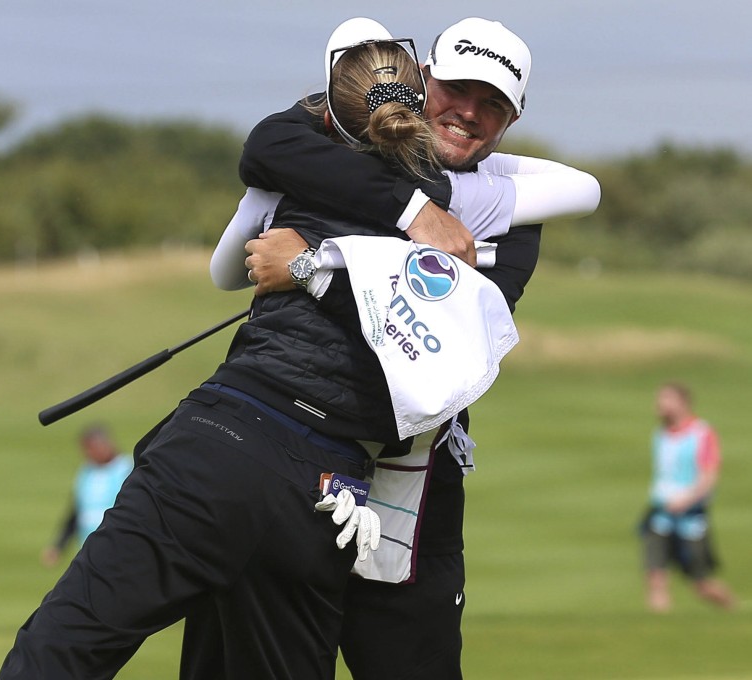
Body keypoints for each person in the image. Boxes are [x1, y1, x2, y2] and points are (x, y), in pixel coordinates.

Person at [0, 22, 464, 680]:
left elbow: (229, 260)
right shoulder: (443, 205)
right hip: (326, 491)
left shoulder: (288, 167)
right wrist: (409, 206)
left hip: (217, 444)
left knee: (62, 650)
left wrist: (309, 261)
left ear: (329, 108)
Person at [218, 16, 597, 679]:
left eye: (493, 105)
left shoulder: (513, 217)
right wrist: (414, 211)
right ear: (422, 81)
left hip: (413, 481)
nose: (469, 113)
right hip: (283, 447)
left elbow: (448, 334)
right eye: (457, 91)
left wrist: (312, 269)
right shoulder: (339, 154)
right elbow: (269, 144)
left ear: (510, 120)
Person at [642, 382, 736, 612]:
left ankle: (733, 609)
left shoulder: (701, 433)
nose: (659, 405)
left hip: (690, 517)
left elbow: (709, 475)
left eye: (666, 399)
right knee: (655, 576)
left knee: (701, 584)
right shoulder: (660, 433)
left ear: (683, 403)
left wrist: (686, 500)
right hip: (660, 513)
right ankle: (657, 630)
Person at [40, 424, 133, 567]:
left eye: (92, 448)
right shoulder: (86, 472)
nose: (88, 453)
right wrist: (59, 545)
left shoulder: (126, 470)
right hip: (90, 548)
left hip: (119, 547)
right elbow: (77, 510)